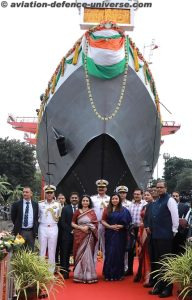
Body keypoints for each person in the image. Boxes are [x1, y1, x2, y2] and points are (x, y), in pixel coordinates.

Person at [148, 181, 179, 298]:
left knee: (166, 262)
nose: (159, 189)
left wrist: (173, 231)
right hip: (156, 235)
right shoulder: (156, 201)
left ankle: (168, 288)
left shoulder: (170, 200)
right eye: (158, 187)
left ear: (166, 188)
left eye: (161, 187)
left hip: (166, 236)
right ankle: (160, 285)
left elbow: (175, 217)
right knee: (158, 262)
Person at [101, 194, 132, 281]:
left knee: (118, 253)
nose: (115, 200)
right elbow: (102, 220)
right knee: (110, 253)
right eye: (113, 198)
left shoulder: (124, 210)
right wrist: (110, 226)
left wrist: (121, 226)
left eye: (116, 198)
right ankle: (108, 274)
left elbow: (128, 222)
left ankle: (118, 274)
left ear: (119, 200)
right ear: (111, 200)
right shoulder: (107, 209)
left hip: (120, 234)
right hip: (110, 233)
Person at [71, 195, 98, 283]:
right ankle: (79, 275)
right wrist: (80, 228)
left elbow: (95, 224)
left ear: (89, 202)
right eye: (84, 200)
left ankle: (89, 275)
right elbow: (72, 223)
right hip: (79, 235)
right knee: (79, 254)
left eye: (87, 201)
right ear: (81, 202)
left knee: (88, 255)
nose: (85, 202)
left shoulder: (92, 212)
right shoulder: (77, 212)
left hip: (89, 236)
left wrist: (89, 227)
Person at [38, 185, 60, 273]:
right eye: (47, 193)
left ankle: (51, 272)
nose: (49, 194)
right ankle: (41, 271)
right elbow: (37, 216)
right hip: (43, 227)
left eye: (51, 193)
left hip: (53, 227)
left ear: (54, 193)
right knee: (42, 250)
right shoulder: (40, 204)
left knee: (52, 250)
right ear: (45, 194)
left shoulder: (58, 204)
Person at [134, 190, 154, 285]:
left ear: (152, 196)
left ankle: (149, 276)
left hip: (149, 231)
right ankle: (141, 274)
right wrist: (139, 232)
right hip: (142, 231)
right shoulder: (145, 206)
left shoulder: (154, 206)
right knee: (141, 253)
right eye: (145, 195)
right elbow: (142, 219)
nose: (146, 196)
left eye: (148, 195)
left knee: (148, 254)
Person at [11, 186, 38, 251]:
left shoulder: (35, 205)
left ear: (31, 194)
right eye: (23, 192)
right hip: (20, 232)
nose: (24, 194)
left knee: (30, 252)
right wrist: (18, 226)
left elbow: (36, 217)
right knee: (18, 251)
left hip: (31, 232)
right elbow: (13, 217)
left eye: (27, 192)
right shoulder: (16, 204)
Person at [60, 192, 79, 279]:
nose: (74, 199)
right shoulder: (65, 209)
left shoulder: (81, 208)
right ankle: (65, 271)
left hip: (79, 235)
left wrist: (77, 230)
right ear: (70, 199)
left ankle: (78, 271)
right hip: (67, 235)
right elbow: (62, 222)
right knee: (65, 253)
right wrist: (71, 230)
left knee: (78, 253)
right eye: (73, 198)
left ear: (78, 199)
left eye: (76, 198)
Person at [128, 188, 147, 276]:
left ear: (142, 195)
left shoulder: (145, 205)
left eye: (138, 194)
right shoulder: (130, 205)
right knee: (130, 249)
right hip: (132, 229)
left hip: (141, 229)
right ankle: (130, 270)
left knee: (142, 250)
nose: (136, 195)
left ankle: (141, 270)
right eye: (135, 194)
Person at [91, 179, 110, 263]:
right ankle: (93, 269)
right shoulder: (92, 198)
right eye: (99, 187)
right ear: (97, 188)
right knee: (94, 246)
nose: (101, 189)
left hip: (106, 225)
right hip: (96, 224)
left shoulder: (110, 199)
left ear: (106, 189)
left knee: (106, 246)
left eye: (103, 187)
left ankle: (106, 269)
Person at [116, 185, 131, 275]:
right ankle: (117, 266)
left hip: (125, 229)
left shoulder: (129, 204)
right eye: (120, 193)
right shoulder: (114, 203)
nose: (122, 194)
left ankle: (125, 267)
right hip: (115, 229)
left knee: (125, 250)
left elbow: (130, 217)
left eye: (124, 193)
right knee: (116, 249)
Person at [55, 193, 66, 266]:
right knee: (55, 248)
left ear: (65, 200)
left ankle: (63, 266)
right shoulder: (54, 207)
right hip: (55, 230)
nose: (61, 200)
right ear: (56, 199)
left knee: (63, 249)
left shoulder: (67, 207)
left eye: (62, 198)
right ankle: (55, 265)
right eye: (59, 198)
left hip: (64, 232)